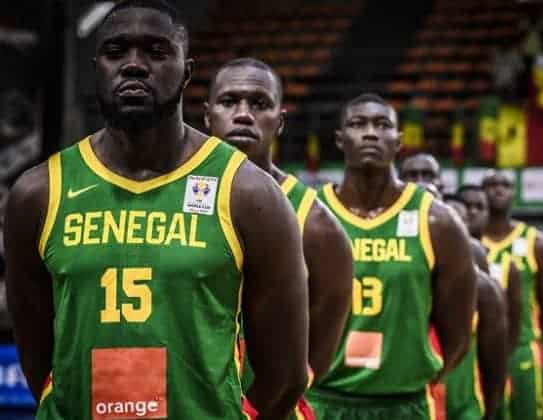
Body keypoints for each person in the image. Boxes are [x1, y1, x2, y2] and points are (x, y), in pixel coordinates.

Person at [4, 1, 309, 419]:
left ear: (186, 71)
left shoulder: (250, 192)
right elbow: (38, 357)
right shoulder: (38, 192)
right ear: (96, 67)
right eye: (116, 52)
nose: (133, 65)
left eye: (155, 51)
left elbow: (285, 375)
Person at [308, 94, 477, 419]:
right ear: (340, 139)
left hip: (405, 402)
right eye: (358, 124)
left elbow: (458, 333)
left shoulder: (437, 221)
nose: (370, 133)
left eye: (382, 125)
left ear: (399, 141)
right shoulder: (310, 213)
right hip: (322, 400)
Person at [204, 57, 354, 416]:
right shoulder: (173, 198)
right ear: (207, 116)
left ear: (280, 121)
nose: (243, 114)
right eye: (229, 102)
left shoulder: (317, 224)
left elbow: (313, 361)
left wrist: (255, 410)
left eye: (259, 104)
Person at [401, 154, 510, 419]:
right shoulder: (381, 243)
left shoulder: (469, 249)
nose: (419, 183)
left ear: (442, 185)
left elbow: (492, 330)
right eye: (412, 176)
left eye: (427, 176)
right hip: (400, 390)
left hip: (459, 392)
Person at [461, 172, 543, 420]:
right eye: (491, 185)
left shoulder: (536, 243)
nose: (498, 190)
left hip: (520, 352)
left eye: (505, 185)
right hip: (473, 352)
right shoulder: (462, 242)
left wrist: (526, 337)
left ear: (514, 192)